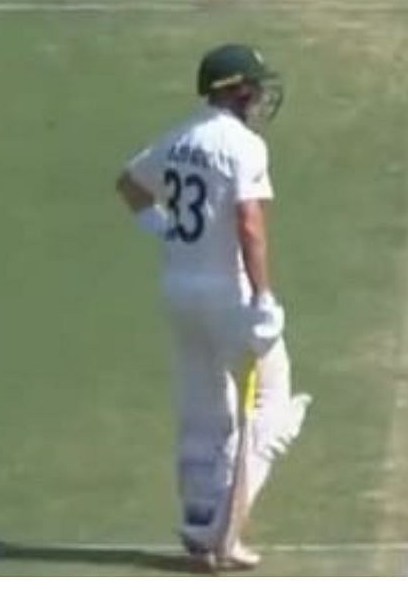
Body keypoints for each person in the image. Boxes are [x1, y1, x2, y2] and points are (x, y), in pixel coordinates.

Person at [113, 43, 312, 572]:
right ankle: (227, 528)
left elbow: (129, 186)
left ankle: (199, 522)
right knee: (272, 408)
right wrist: (264, 298)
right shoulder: (242, 146)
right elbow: (249, 223)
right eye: (253, 86)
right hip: (230, 294)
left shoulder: (180, 137)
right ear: (235, 91)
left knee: (203, 409)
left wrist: (165, 228)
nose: (259, 95)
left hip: (179, 289)